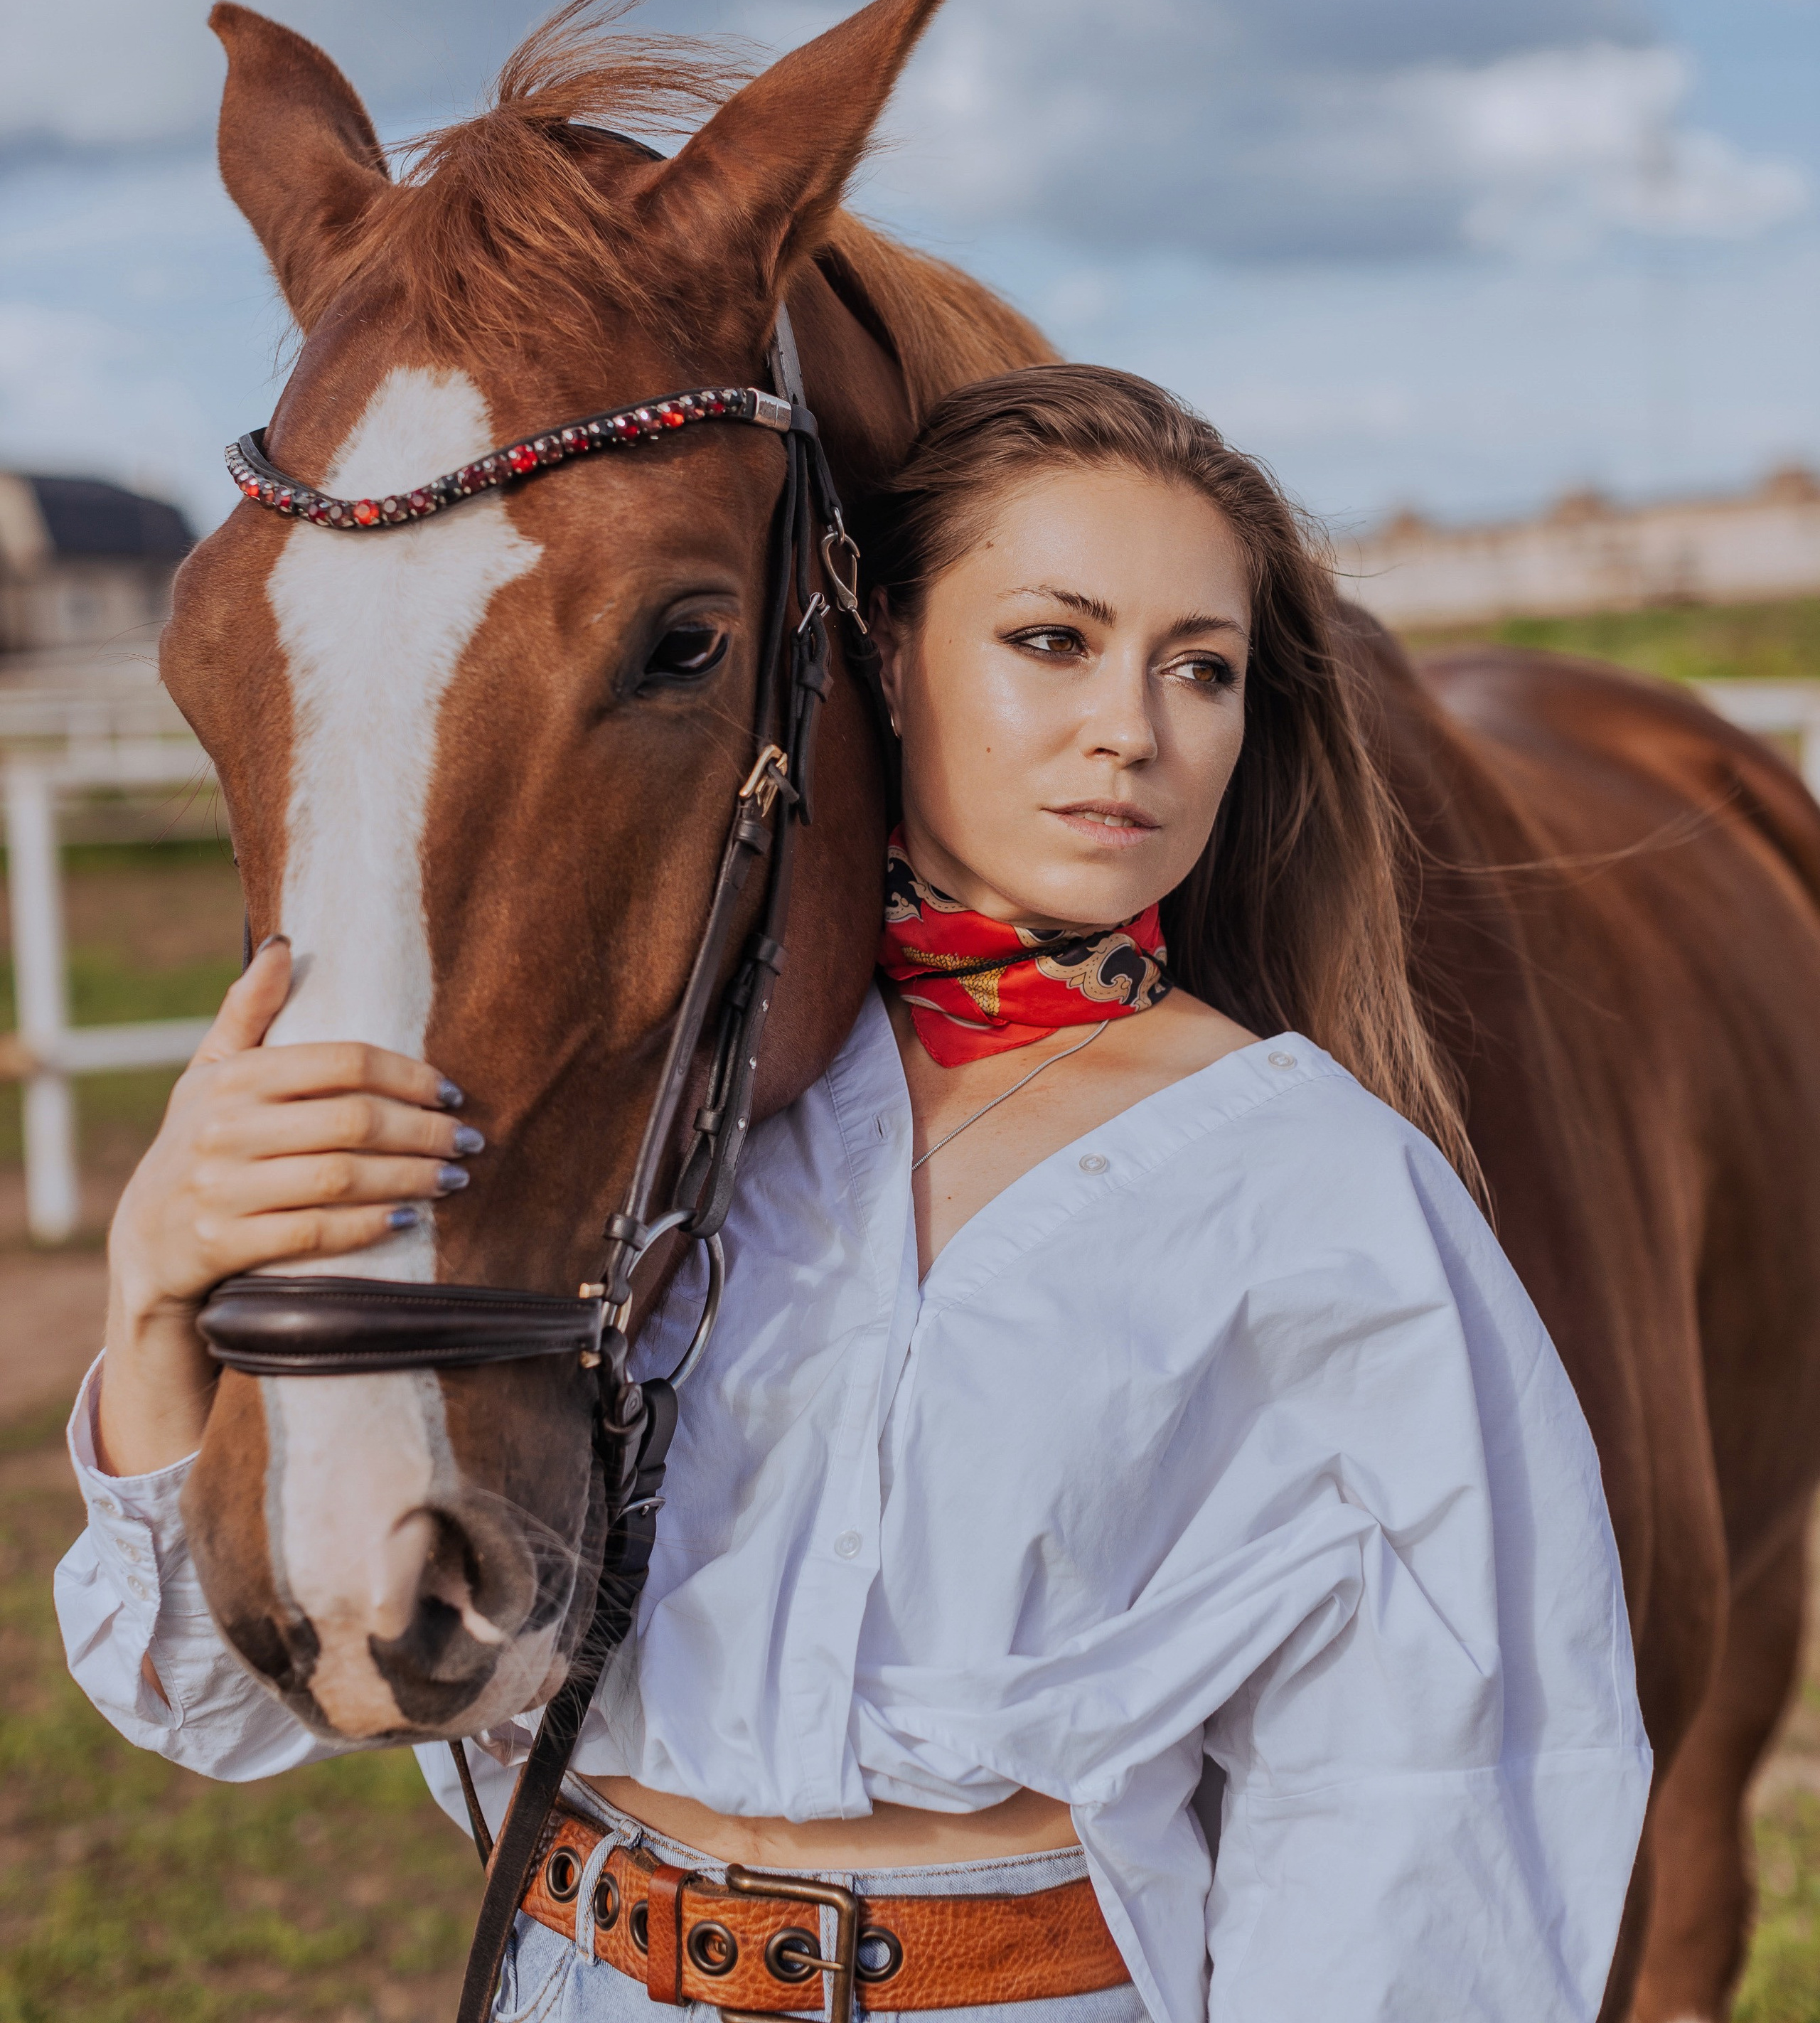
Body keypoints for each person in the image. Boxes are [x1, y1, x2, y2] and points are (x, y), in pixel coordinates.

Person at [58, 364, 1649, 2021]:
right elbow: (232, 1703)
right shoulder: (669, 1127)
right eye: (1054, 639)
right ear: (878, 654)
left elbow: (1420, 1814)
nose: (1131, 727)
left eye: (1201, 669)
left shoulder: (1322, 1194)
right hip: (568, 1972)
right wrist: (163, 1291)